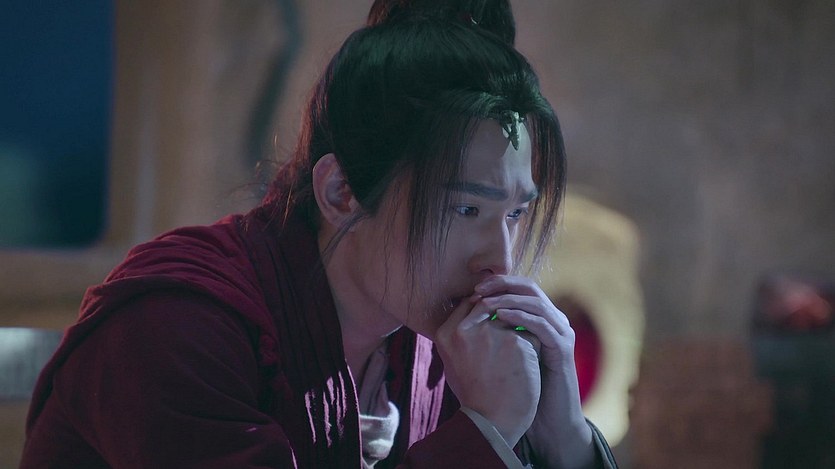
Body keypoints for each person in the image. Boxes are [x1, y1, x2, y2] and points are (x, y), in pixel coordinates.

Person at [21, 1, 617, 467]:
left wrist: (563, 434)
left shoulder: (444, 344)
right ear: (340, 192)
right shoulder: (174, 326)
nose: (499, 262)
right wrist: (485, 431)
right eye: (465, 210)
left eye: (514, 215)